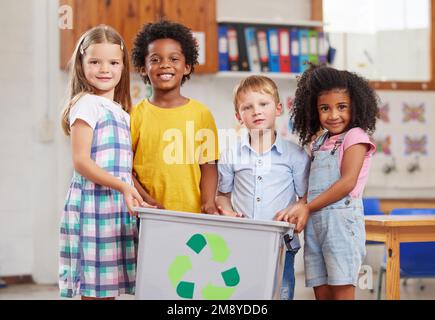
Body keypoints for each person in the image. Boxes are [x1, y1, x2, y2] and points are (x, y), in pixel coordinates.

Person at [59, 25, 154, 300]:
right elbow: (81, 161)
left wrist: (142, 196)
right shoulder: (87, 104)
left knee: (108, 290)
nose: (105, 69)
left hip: (116, 208)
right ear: (81, 64)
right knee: (93, 289)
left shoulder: (123, 113)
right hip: (94, 206)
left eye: (113, 62)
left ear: (123, 66)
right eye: (95, 62)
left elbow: (125, 169)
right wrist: (123, 188)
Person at [285, 64, 379, 300]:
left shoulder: (356, 137)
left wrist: (307, 207)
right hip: (315, 227)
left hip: (341, 226)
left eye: (342, 107)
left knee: (342, 292)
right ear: (314, 110)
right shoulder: (318, 142)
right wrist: (300, 205)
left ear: (355, 106)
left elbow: (347, 182)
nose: (333, 115)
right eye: (325, 108)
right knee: (322, 292)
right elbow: (311, 187)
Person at [216, 75, 310, 300]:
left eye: (263, 104)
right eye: (248, 107)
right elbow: (222, 195)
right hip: (240, 242)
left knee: (281, 293)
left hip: (282, 243)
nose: (256, 111)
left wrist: (296, 209)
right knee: (239, 294)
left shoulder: (295, 155)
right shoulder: (231, 155)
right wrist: (227, 210)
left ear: (278, 109)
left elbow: (305, 198)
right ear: (239, 117)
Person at [130, 20, 219, 214]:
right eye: (155, 59)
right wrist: (147, 200)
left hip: (193, 215)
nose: (165, 65)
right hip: (148, 213)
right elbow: (125, 169)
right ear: (143, 68)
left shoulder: (201, 114)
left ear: (186, 67)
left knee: (195, 246)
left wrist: (208, 201)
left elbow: (209, 165)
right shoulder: (134, 115)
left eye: (173, 59)